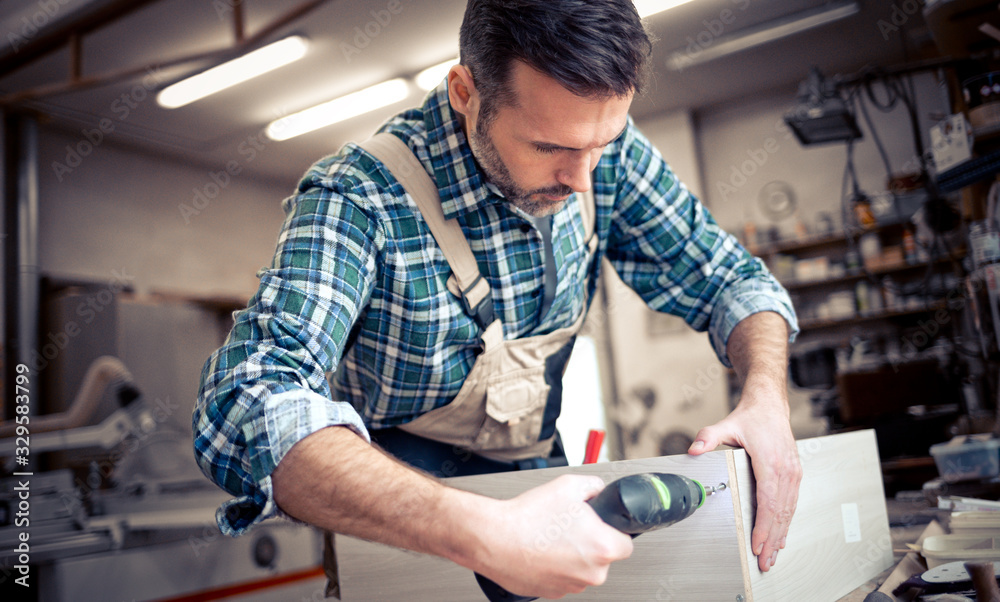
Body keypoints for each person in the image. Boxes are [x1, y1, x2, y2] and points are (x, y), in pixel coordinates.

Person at [193, 0, 802, 597]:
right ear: (466, 92)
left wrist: (766, 399)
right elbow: (249, 398)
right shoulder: (358, 198)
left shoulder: (597, 148)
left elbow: (732, 280)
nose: (583, 176)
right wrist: (481, 529)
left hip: (545, 486)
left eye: (601, 143)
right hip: (398, 523)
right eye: (548, 147)